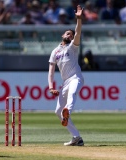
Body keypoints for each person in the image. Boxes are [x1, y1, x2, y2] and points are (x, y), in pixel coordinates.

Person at [48, 5, 84, 146]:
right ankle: (77, 138)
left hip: (76, 77)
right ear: (63, 36)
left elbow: (78, 33)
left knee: (72, 94)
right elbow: (51, 71)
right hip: (65, 82)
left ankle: (67, 111)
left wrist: (79, 20)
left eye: (71, 34)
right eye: (67, 34)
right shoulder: (55, 51)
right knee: (57, 111)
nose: (70, 35)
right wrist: (51, 87)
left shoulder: (73, 47)